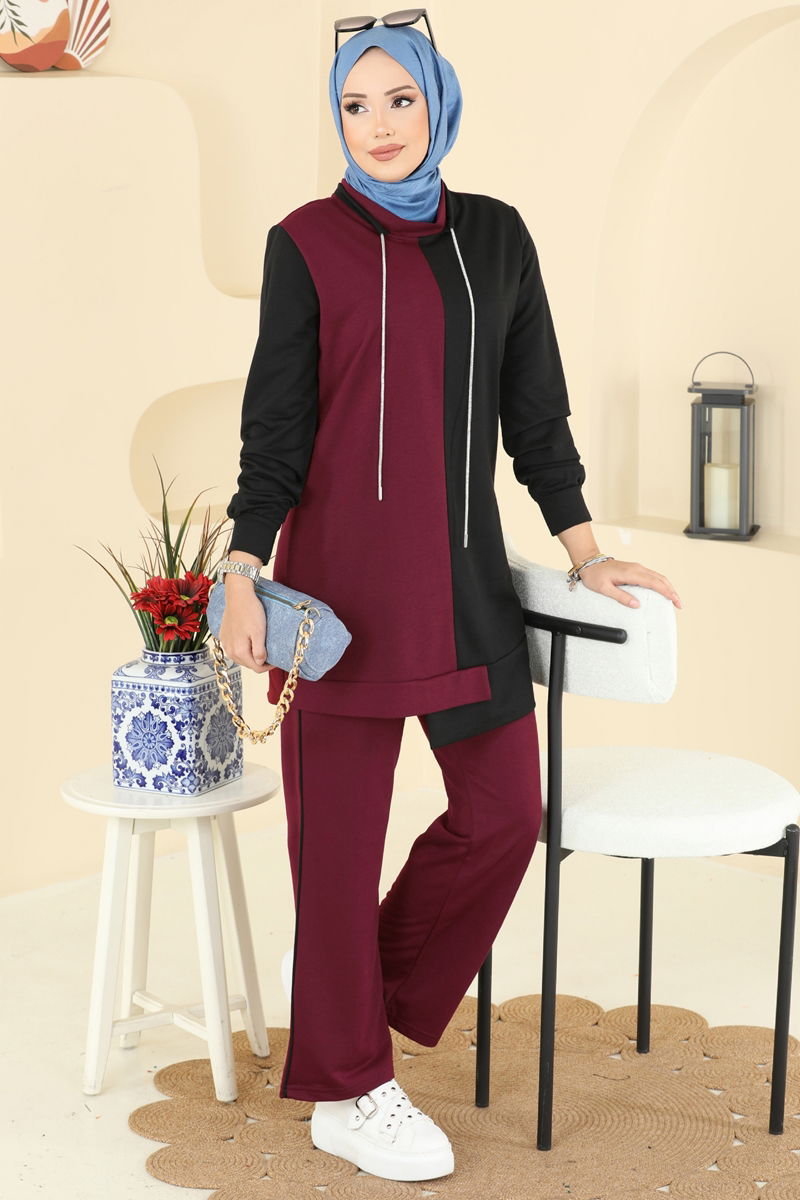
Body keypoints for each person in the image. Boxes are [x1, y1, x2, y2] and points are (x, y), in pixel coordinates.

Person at [219, 14, 682, 1184]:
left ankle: (342, 1016)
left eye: (398, 100)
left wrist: (584, 550)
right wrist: (240, 566)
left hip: (465, 584)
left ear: (438, 103)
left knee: (504, 815)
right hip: (337, 603)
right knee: (336, 858)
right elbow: (275, 429)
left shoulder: (495, 238)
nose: (376, 125)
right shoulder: (304, 244)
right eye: (353, 105)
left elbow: (536, 413)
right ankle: (348, 1089)